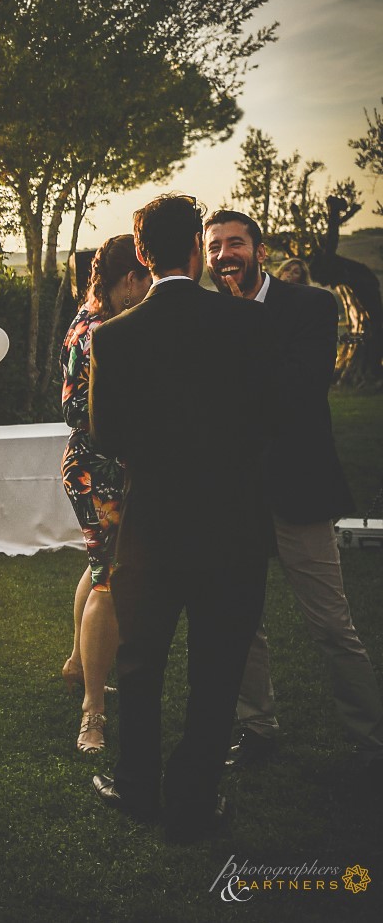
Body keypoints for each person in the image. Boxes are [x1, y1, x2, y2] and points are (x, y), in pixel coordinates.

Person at [87, 194, 275, 843]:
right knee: (217, 669)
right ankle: (193, 799)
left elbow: (105, 435)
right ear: (197, 247)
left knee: (140, 663)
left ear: (142, 254)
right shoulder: (248, 325)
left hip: (153, 528)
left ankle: (137, 787)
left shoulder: (112, 336)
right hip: (233, 526)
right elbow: (266, 424)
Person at [204, 209, 382, 776]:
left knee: (332, 622)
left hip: (298, 488)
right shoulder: (205, 318)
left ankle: (371, 735)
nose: (224, 255)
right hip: (234, 495)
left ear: (258, 248)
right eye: (214, 248)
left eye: (235, 243)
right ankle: (258, 727)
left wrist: (238, 331)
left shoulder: (310, 306)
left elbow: (299, 391)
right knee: (241, 624)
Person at [57, 235, 151, 754]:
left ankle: (77, 662)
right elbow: (82, 411)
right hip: (101, 468)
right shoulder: (102, 330)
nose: (148, 292)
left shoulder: (84, 318)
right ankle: (93, 712)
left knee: (99, 565)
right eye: (145, 281)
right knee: (108, 582)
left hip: (93, 465)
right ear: (129, 280)